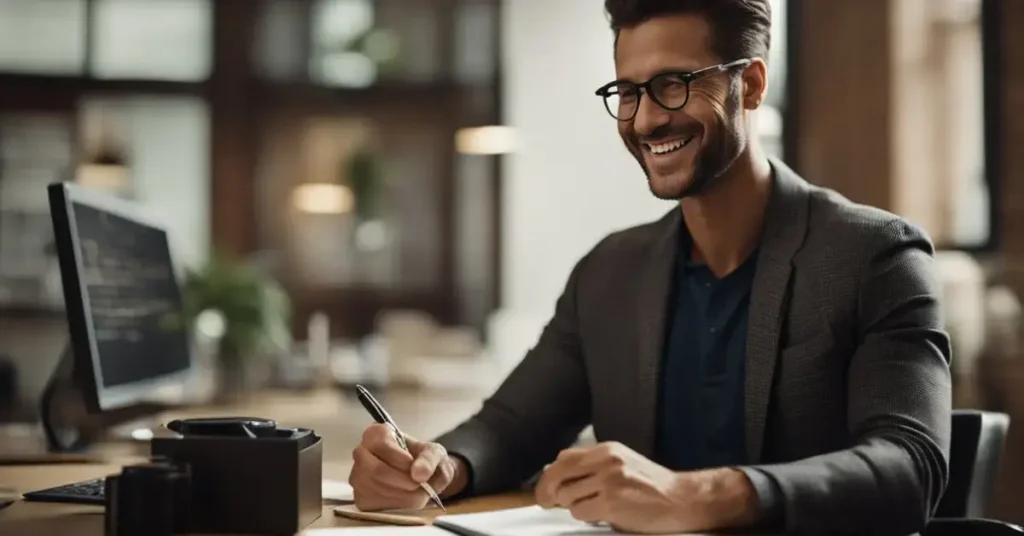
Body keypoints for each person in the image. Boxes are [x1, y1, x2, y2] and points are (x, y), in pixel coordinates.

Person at [347, 0, 952, 533]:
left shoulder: (876, 257)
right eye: (628, 92)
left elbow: (909, 467)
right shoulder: (610, 271)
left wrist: (699, 496)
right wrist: (436, 467)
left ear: (751, 85)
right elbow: (509, 428)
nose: (644, 120)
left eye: (673, 84)